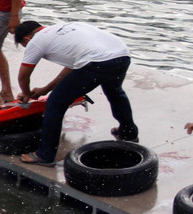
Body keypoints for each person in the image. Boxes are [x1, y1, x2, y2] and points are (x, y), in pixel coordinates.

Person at [13, 20, 139, 166]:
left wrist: (26, 93)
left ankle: (44, 155)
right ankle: (129, 133)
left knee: (55, 104)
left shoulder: (36, 41)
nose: (27, 48)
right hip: (121, 56)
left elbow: (23, 76)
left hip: (97, 63)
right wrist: (45, 89)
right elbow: (73, 67)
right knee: (114, 91)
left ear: (26, 39)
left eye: (24, 46)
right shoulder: (64, 28)